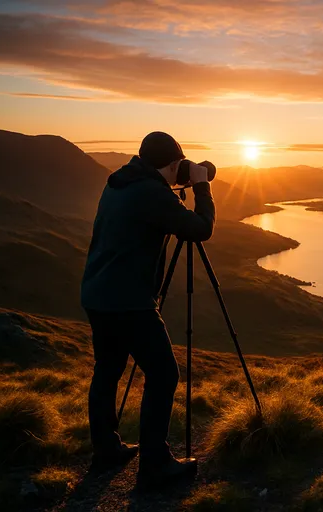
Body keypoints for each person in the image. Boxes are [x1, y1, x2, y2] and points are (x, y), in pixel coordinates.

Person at [81, 131, 215, 490]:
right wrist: (201, 187)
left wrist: (177, 183)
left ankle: (106, 450)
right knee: (164, 374)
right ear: (172, 164)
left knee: (107, 371)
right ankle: (155, 464)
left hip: (98, 294)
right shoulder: (151, 193)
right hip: (128, 302)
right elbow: (200, 229)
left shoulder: (121, 181)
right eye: (178, 167)